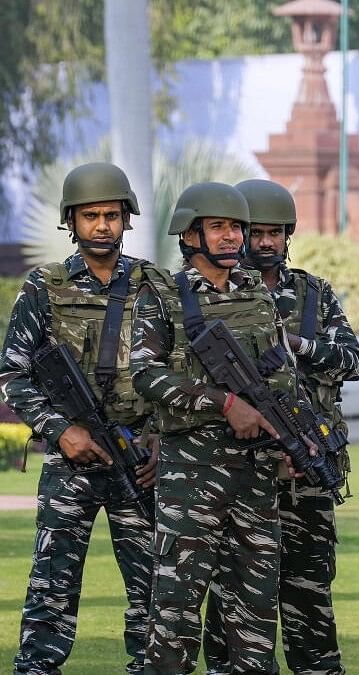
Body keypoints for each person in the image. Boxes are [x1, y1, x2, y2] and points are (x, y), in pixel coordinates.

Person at [201, 179, 359, 675]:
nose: (266, 243)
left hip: (308, 470)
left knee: (309, 587)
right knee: (234, 588)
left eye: (276, 233)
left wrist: (299, 346)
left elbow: (353, 360)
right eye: (259, 233)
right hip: (242, 469)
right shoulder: (214, 296)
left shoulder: (313, 293)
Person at [132, 181, 297, 674]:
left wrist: (295, 438)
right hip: (192, 478)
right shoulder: (162, 293)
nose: (231, 237)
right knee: (175, 613)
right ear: (190, 234)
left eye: (237, 228)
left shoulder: (257, 294)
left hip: (257, 477)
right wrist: (223, 403)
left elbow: (281, 375)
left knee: (254, 616)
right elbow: (145, 373)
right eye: (218, 226)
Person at [1, 162, 157, 675]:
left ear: (125, 218)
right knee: (51, 588)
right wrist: (59, 429)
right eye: (90, 215)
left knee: (154, 591)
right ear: (73, 220)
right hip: (71, 466)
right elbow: (12, 374)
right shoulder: (43, 288)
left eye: (111, 215)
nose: (102, 225)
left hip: (137, 462)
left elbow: (180, 372)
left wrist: (158, 442)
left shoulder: (155, 287)